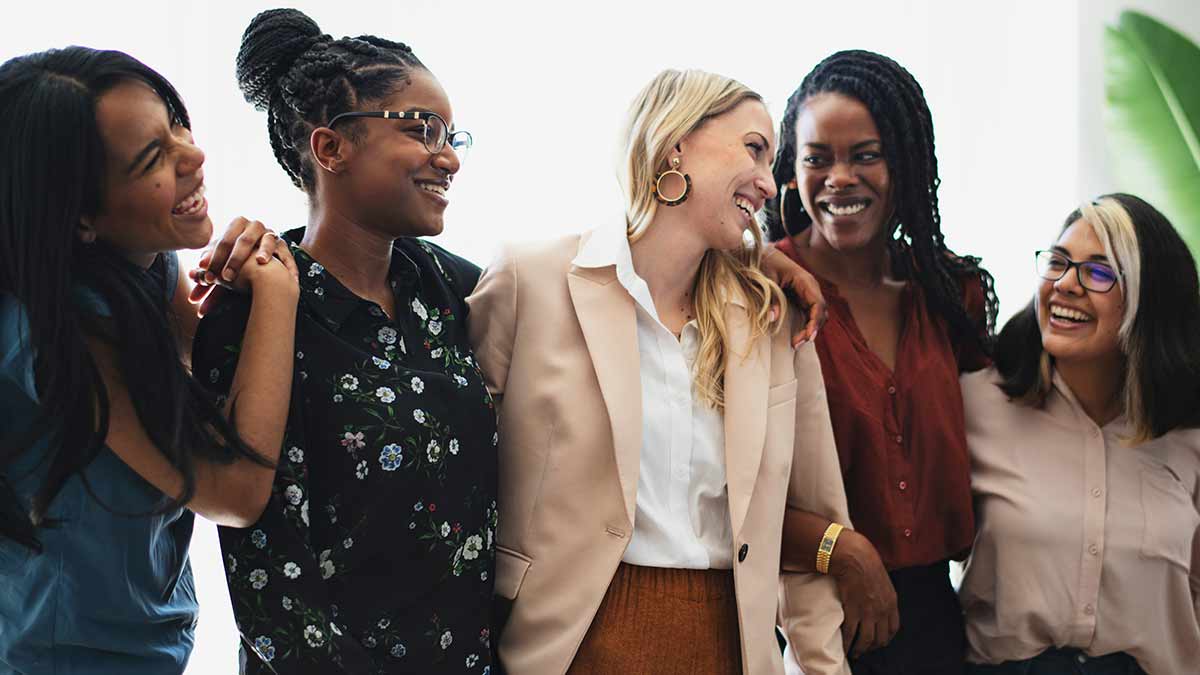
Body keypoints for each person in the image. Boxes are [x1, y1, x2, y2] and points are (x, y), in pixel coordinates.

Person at [468, 68, 850, 675]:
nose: (768, 183)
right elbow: (460, 479)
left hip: (729, 652)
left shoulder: (775, 320)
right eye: (753, 149)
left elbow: (810, 520)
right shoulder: (529, 280)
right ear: (676, 143)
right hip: (564, 651)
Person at [191, 9, 497, 673]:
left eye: (453, 135)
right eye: (422, 129)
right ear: (331, 149)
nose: (448, 156)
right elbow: (268, 580)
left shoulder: (463, 294)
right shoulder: (249, 311)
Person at [0, 46, 298, 674]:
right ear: (81, 215)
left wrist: (232, 288)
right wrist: (277, 290)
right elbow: (235, 491)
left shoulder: (142, 256)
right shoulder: (62, 335)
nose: (194, 156)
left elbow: (188, 367)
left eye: (176, 124)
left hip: (138, 642)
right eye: (152, 158)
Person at [765, 50, 998, 675]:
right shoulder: (759, 294)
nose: (839, 177)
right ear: (792, 172)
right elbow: (720, 491)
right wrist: (844, 552)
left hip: (938, 624)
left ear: (906, 163)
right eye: (818, 158)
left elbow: (1015, 440)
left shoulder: (952, 295)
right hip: (810, 618)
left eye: (865, 154)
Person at [959, 194, 1200, 675]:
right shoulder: (974, 405)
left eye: (1099, 272)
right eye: (1058, 263)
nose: (1066, 284)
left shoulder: (1189, 435)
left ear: (1151, 298)